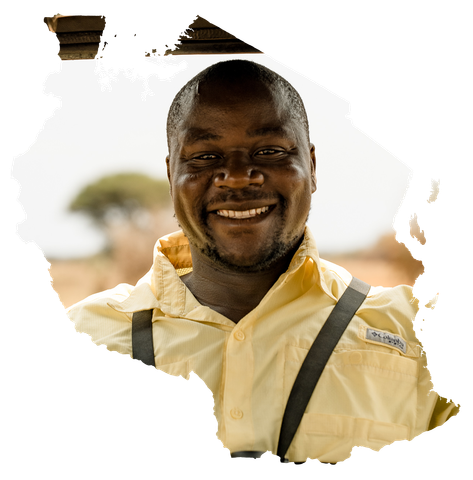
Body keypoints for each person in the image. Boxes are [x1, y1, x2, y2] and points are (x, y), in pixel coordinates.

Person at [66, 59, 461, 463]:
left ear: (310, 166)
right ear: (172, 176)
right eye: (204, 156)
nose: (237, 176)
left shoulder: (419, 336)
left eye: (270, 151)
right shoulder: (84, 336)